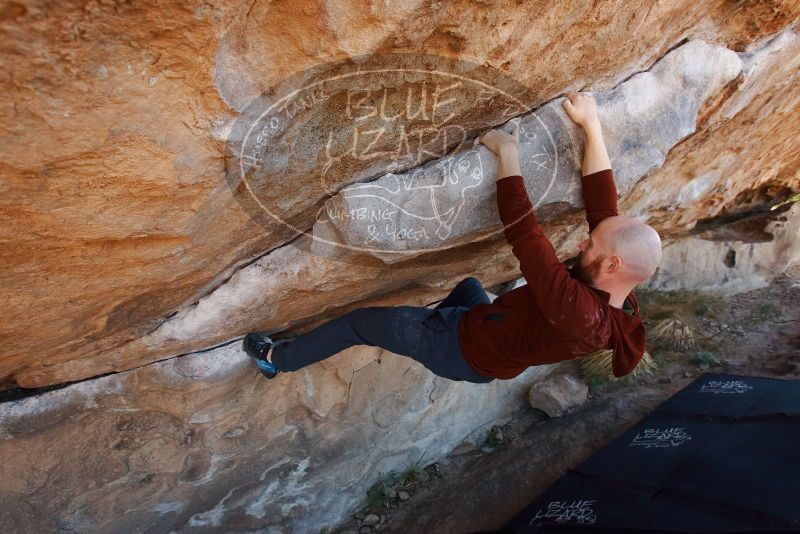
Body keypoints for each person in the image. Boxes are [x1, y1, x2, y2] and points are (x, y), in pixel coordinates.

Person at [243, 91, 662, 382]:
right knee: (468, 288)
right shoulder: (619, 295)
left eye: (592, 246)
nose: (584, 242)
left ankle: (275, 360)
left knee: (359, 324)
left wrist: (508, 154)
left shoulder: (581, 316)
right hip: (485, 335)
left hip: (459, 350)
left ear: (613, 265)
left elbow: (526, 237)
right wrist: (591, 125)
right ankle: (432, 322)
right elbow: (605, 213)